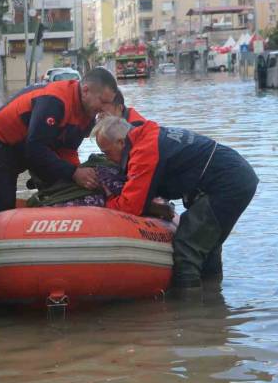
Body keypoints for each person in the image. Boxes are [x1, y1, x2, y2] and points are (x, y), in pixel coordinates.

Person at [92, 116, 258, 291]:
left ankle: (189, 310)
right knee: (207, 247)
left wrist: (106, 202)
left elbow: (130, 206)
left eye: (107, 153)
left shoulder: (144, 150)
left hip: (227, 183)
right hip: (237, 176)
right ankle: (214, 302)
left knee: (186, 247)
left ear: (120, 142)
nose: (109, 159)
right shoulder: (150, 135)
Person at [0, 67, 118, 212]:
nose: (106, 109)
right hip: (2, 143)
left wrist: (79, 174)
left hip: (35, 143)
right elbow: (35, 149)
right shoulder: (54, 101)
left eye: (109, 103)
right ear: (85, 91)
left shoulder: (89, 112)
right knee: (4, 205)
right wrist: (74, 173)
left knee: (65, 186)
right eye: (103, 102)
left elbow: (68, 150)